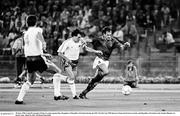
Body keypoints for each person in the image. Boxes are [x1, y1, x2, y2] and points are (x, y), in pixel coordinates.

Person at [15, 15, 68, 104]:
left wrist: (44, 54)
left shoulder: (25, 34)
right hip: (38, 58)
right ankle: (57, 95)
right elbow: (39, 35)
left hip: (28, 59)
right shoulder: (37, 30)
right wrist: (43, 43)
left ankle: (19, 99)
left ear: (27, 23)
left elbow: (27, 48)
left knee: (30, 80)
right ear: (36, 22)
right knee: (57, 71)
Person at [79, 27, 130, 99]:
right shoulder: (98, 39)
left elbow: (121, 47)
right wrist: (83, 40)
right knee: (106, 72)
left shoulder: (113, 41)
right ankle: (93, 79)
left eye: (110, 34)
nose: (109, 36)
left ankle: (83, 93)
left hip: (106, 61)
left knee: (95, 83)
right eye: (107, 35)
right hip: (99, 59)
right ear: (103, 35)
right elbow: (88, 40)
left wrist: (125, 45)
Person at [57, 29, 102, 99]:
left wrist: (95, 51)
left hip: (75, 62)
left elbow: (86, 48)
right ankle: (74, 95)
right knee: (71, 77)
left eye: (80, 37)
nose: (80, 38)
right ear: (73, 36)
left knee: (72, 78)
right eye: (78, 37)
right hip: (67, 61)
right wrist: (67, 59)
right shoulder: (67, 42)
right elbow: (59, 53)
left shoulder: (80, 41)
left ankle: (58, 78)